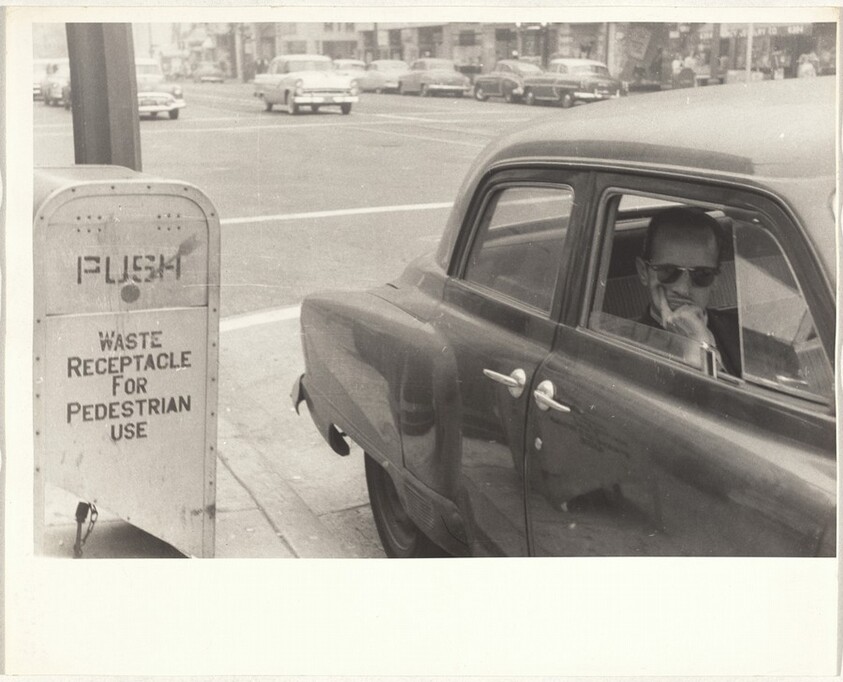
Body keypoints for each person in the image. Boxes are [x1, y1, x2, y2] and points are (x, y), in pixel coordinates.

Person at [635, 207, 740, 374]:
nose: (683, 289)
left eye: (701, 274)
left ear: (716, 280)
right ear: (643, 272)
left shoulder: (743, 332)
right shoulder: (623, 346)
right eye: (668, 271)